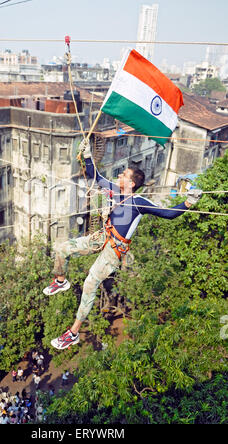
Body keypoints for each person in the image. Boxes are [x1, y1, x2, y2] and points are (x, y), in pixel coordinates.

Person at [44, 139, 203, 349]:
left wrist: (189, 202)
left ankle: (73, 333)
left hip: (114, 249)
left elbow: (168, 213)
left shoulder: (139, 202)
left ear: (131, 183)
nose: (119, 176)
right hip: (103, 235)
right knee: (62, 249)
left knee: (90, 283)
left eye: (123, 175)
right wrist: (88, 155)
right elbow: (95, 176)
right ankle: (61, 280)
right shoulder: (115, 191)